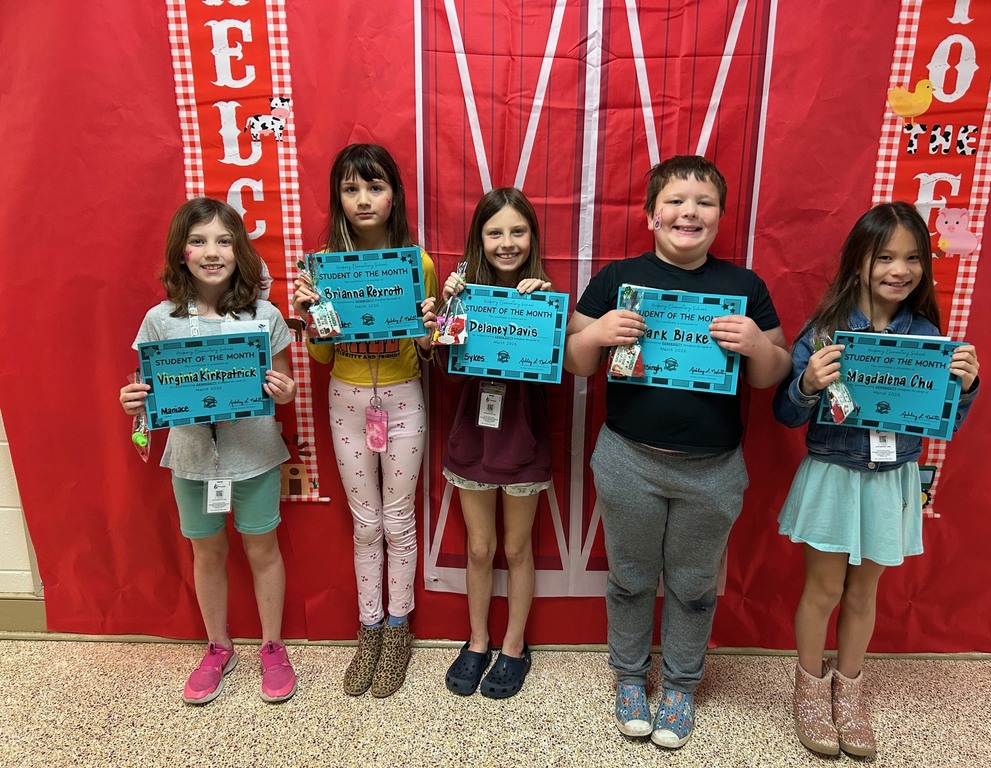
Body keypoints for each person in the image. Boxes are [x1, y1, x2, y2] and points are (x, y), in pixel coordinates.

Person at [564, 155, 790, 748]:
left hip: (713, 470)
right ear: (650, 215)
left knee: (693, 584)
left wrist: (756, 349)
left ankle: (683, 686)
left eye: (705, 202)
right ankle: (631, 679)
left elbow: (775, 373)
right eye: (675, 201)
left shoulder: (744, 287)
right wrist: (597, 334)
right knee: (631, 577)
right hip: (628, 459)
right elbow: (574, 358)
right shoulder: (617, 278)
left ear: (719, 218)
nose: (689, 211)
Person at [773, 201, 979, 759]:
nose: (899, 269)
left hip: (892, 478)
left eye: (912, 258)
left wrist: (965, 385)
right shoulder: (824, 332)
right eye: (884, 255)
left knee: (865, 593)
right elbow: (786, 415)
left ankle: (851, 691)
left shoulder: (929, 336)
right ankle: (810, 689)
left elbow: (945, 423)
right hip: (834, 474)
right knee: (824, 589)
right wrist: (808, 385)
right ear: (858, 261)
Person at [118, 197, 298, 705]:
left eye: (223, 241)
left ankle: (272, 645)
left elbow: (283, 384)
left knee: (263, 549)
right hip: (192, 460)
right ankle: (218, 646)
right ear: (181, 253)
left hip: (256, 455)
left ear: (240, 251)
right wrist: (133, 399)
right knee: (207, 551)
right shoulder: (160, 320)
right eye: (198, 241)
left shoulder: (265, 315)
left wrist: (283, 393)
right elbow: (147, 391)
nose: (211, 252)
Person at [291, 144, 437, 698]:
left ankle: (398, 631)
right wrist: (313, 323)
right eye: (351, 190)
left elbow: (428, 352)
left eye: (374, 187)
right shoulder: (321, 265)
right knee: (365, 523)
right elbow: (324, 358)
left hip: (402, 399)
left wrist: (428, 332)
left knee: (398, 521)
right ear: (338, 199)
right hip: (347, 401)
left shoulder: (416, 263)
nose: (363, 199)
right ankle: (369, 628)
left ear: (394, 194)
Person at [438, 188, 553, 699]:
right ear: (479, 240)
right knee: (480, 548)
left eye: (517, 231)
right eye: (495, 233)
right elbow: (447, 369)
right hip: (473, 438)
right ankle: (478, 639)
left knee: (516, 547)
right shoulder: (461, 295)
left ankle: (514, 645)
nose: (507, 243)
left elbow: (560, 369)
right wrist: (444, 318)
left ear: (531, 237)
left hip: (523, 442)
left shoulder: (545, 296)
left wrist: (544, 309)